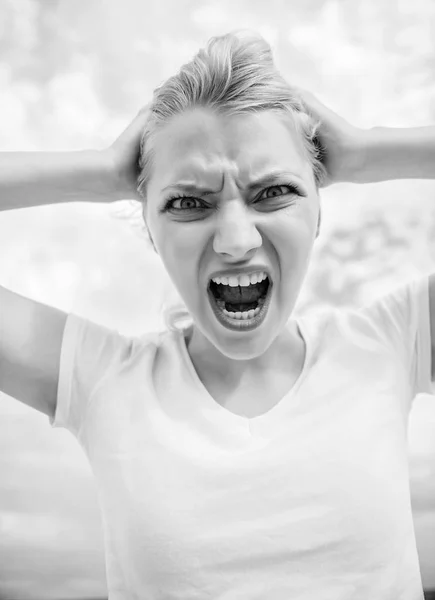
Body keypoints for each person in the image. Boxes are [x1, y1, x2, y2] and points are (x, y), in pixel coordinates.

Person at [0, 29, 434, 600]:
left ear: (319, 215)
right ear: (150, 233)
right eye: (186, 202)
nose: (235, 239)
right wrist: (105, 170)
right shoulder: (101, 379)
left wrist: (368, 151)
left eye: (275, 191)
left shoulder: (391, 343)